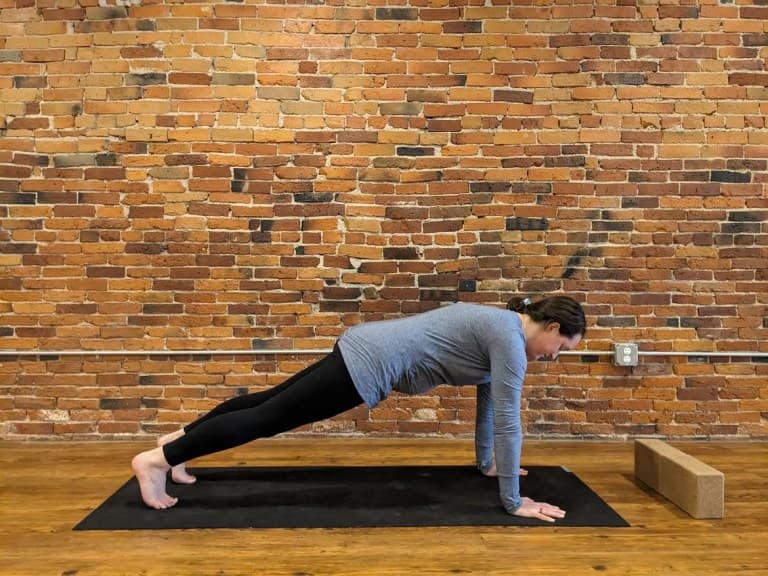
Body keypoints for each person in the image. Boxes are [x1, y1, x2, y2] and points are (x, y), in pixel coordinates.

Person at [132, 295, 586, 522]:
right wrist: (513, 501)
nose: (554, 357)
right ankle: (157, 461)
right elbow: (508, 419)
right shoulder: (509, 338)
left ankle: (178, 443)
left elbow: (489, 403)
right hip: (370, 363)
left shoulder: (503, 329)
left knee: (265, 402)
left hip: (365, 346)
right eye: (561, 347)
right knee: (267, 417)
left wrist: (488, 464)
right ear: (551, 327)